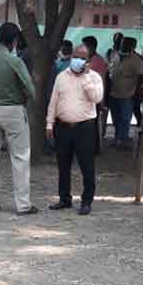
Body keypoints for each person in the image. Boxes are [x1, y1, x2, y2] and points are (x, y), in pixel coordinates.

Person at [0, 22, 38, 216]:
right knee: (20, 157)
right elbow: (30, 90)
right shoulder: (15, 61)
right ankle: (23, 205)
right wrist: (23, 99)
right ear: (14, 40)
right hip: (13, 111)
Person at [46, 44, 104, 215]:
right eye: (76, 56)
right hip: (63, 126)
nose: (78, 60)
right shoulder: (61, 76)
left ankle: (86, 201)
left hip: (85, 127)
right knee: (63, 164)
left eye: (82, 58)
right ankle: (64, 199)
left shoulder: (94, 78)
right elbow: (53, 101)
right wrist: (49, 123)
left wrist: (85, 78)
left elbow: (97, 98)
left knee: (87, 165)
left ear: (88, 60)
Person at [109, 37, 143, 149]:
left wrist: (136, 91)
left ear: (133, 47)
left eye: (127, 44)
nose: (123, 45)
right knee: (116, 117)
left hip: (128, 94)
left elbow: (141, 76)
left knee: (125, 118)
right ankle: (117, 137)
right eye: (123, 43)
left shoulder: (136, 59)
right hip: (113, 93)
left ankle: (122, 139)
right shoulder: (115, 56)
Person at [82, 36, 109, 155]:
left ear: (91, 47)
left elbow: (101, 81)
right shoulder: (87, 60)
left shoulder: (98, 62)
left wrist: (101, 100)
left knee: (91, 124)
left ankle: (93, 149)